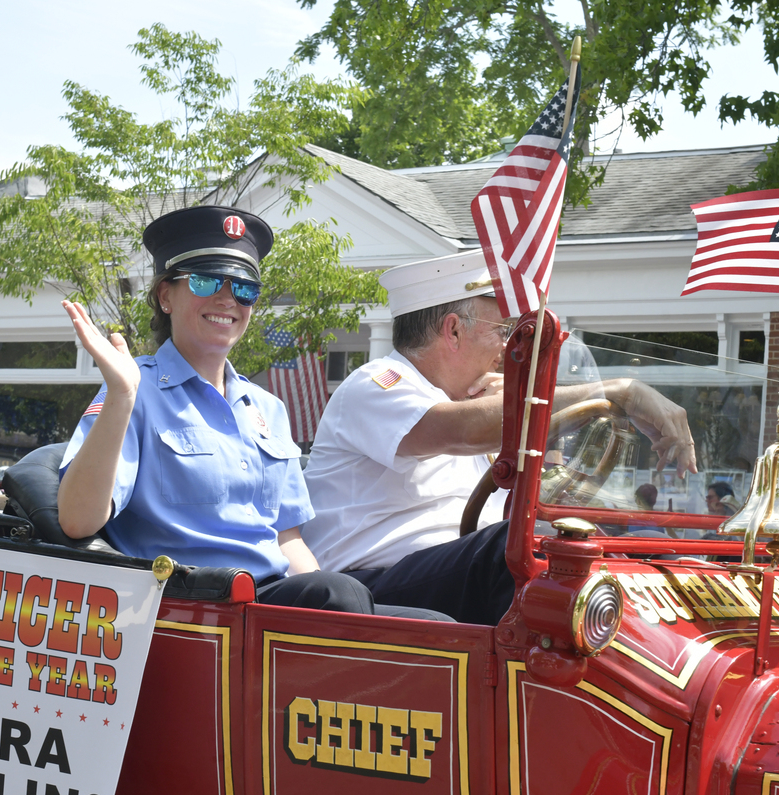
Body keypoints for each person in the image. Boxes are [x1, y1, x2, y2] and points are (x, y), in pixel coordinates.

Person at [301, 249, 697, 624]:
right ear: (453, 331)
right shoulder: (376, 383)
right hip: (369, 590)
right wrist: (615, 392)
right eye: (505, 331)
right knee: (513, 547)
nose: (512, 347)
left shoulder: (479, 402)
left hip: (460, 571)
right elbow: (460, 430)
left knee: (642, 542)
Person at [58, 204, 403, 615]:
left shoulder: (269, 408)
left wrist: (329, 605)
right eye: (206, 281)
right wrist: (120, 396)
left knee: (438, 628)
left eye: (244, 288)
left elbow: (286, 537)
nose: (228, 298)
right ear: (165, 295)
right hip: (192, 605)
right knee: (340, 598)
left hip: (270, 602)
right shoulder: (133, 390)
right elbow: (77, 520)